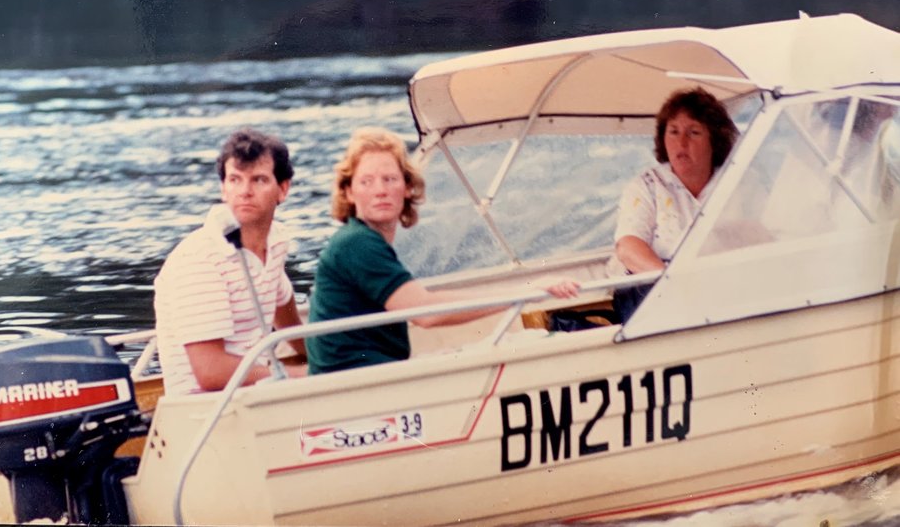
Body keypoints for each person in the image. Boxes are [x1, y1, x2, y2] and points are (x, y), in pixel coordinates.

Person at [306, 127, 580, 375]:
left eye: (390, 179)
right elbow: (427, 314)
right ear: (349, 193)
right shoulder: (357, 243)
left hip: (371, 373)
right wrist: (527, 293)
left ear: (407, 188)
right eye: (367, 182)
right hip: (355, 383)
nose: (380, 190)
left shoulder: (361, 239)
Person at [154, 128, 307, 395]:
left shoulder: (276, 241)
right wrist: (299, 375)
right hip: (205, 413)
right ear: (223, 189)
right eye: (235, 180)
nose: (245, 191)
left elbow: (284, 312)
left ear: (283, 189)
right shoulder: (199, 259)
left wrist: (328, 360)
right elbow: (211, 372)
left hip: (256, 394)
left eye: (258, 180)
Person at [606, 88, 739, 321]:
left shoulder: (735, 182)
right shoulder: (646, 186)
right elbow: (628, 248)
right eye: (673, 132)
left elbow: (758, 237)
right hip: (651, 289)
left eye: (694, 133)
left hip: (715, 284)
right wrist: (674, 284)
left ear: (714, 141)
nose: (681, 142)